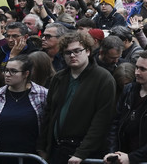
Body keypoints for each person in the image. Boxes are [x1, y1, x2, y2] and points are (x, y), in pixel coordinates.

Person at [39, 31, 116, 164]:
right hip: (57, 149)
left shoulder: (103, 78)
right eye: (67, 52)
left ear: (87, 51)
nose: (72, 55)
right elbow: (49, 113)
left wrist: (81, 153)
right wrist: (42, 147)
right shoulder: (59, 77)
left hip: (84, 153)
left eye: (77, 51)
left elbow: (102, 120)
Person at [0, 54, 48, 163]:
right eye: (6, 70)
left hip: (31, 158)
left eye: (13, 71)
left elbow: (48, 126)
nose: (7, 74)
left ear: (26, 74)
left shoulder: (42, 94)